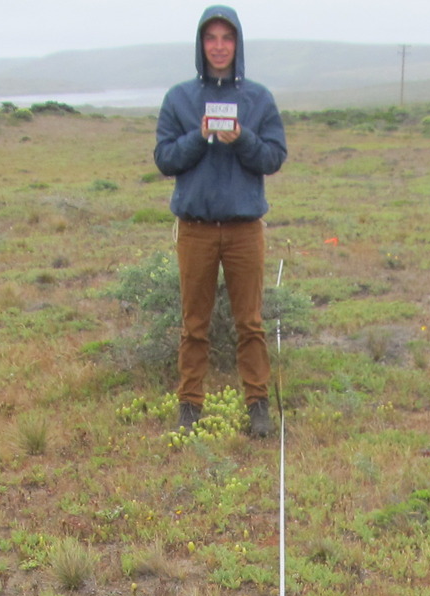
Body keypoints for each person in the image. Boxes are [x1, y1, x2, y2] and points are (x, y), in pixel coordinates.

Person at [154, 6, 287, 437]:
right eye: (210, 39)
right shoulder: (179, 99)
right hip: (195, 230)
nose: (218, 46)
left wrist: (242, 138)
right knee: (195, 323)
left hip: (245, 229)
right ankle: (190, 406)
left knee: (250, 322)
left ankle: (258, 407)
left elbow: (273, 157)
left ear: (237, 44)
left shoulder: (258, 99)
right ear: (201, 44)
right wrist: (201, 135)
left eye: (226, 39)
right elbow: (164, 158)